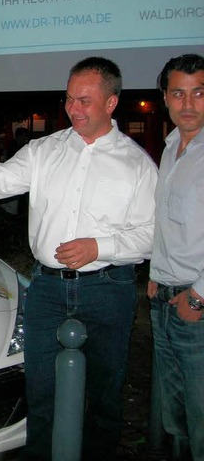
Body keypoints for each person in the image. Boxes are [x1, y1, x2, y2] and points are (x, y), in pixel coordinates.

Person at [0, 57, 158, 460]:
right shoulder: (45, 150)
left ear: (111, 103)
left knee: (104, 389)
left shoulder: (136, 164)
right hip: (46, 287)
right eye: (69, 99)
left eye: (84, 100)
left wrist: (100, 247)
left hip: (108, 289)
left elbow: (151, 234)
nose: (73, 109)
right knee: (40, 387)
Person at [147, 53, 204, 461]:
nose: (188, 104)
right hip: (164, 300)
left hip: (196, 307)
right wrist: (155, 273)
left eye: (199, 93)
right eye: (179, 94)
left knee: (201, 420)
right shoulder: (170, 148)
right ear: (165, 98)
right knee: (175, 418)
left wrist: (199, 296)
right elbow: (166, 223)